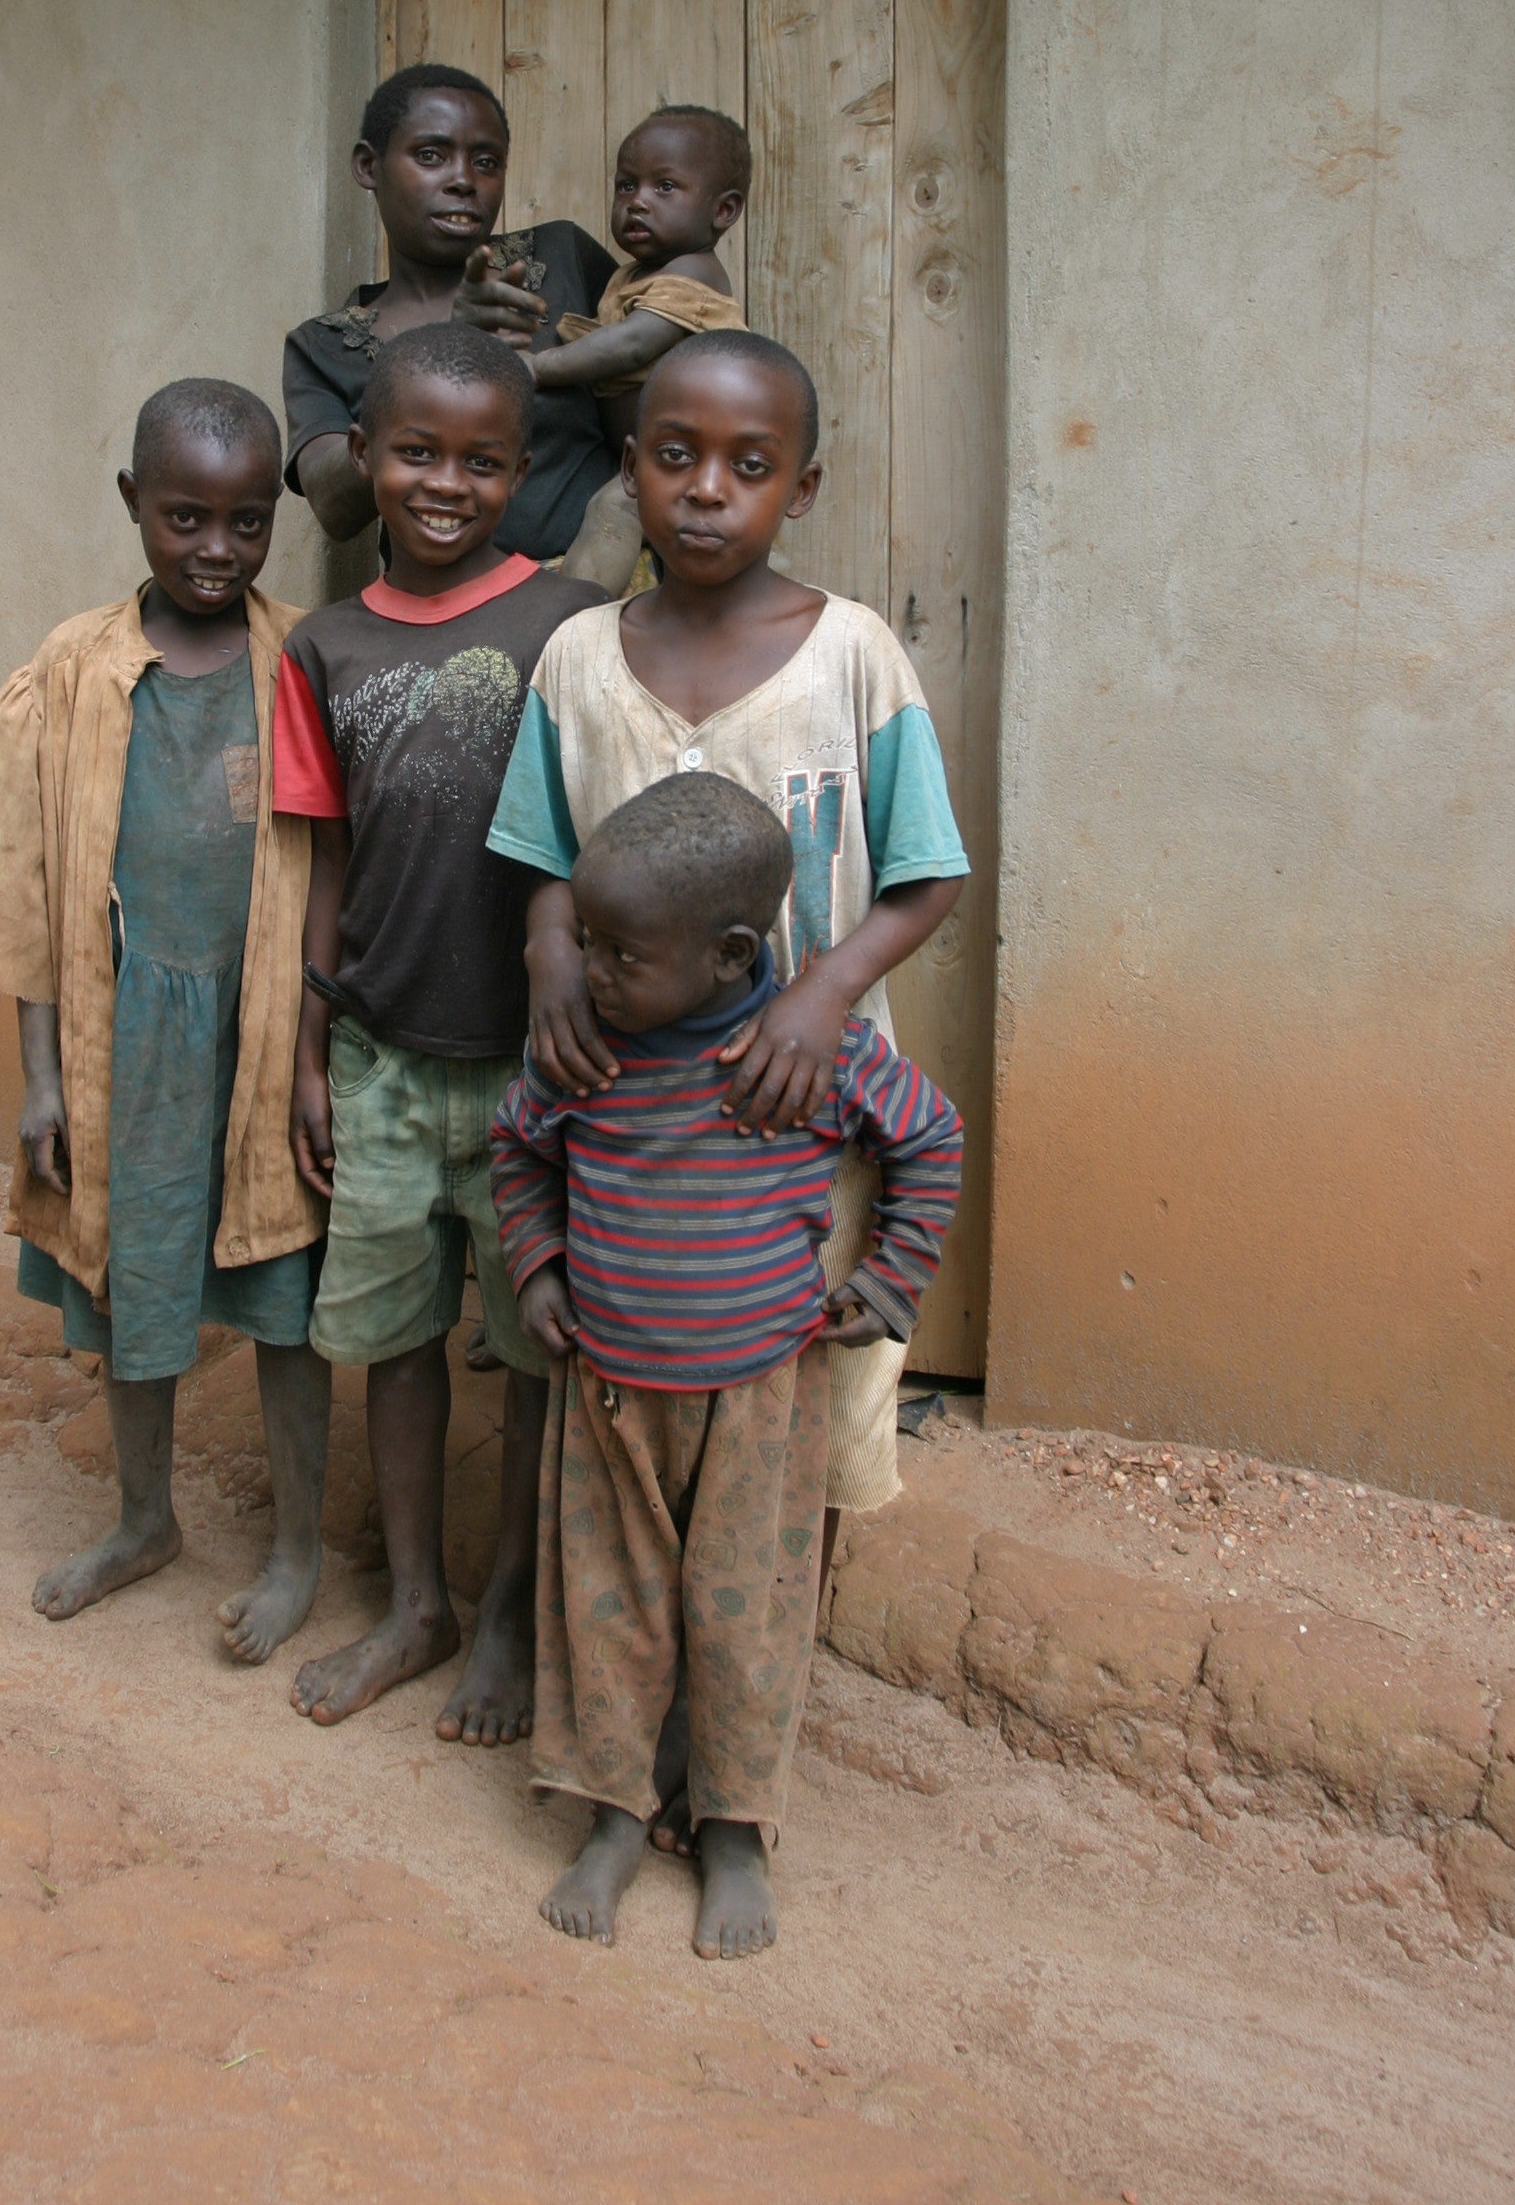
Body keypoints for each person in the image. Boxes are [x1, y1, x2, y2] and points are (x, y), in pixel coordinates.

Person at [486, 329, 969, 1667]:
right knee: (629, 1403)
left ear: (799, 489)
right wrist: (549, 962)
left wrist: (824, 996)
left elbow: (929, 877)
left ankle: (753, 1702)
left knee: (802, 1428)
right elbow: (533, 853)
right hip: (632, 1136)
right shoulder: (580, 659)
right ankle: (633, 1687)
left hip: (806, 1122)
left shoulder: (855, 658)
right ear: (629, 469)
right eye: (677, 456)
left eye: (747, 467)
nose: (706, 489)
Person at [493, 772, 962, 1959]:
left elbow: (931, 1142)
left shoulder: (803, 1056)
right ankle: (608, 1815)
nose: (585, 971)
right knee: (609, 1609)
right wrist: (539, 1266)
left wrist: (890, 1282)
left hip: (761, 1394)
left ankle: (734, 1830)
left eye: (616, 953)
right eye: (584, 942)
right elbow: (516, 1150)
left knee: (743, 1615)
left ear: (728, 955)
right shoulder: (588, 1053)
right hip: (607, 1395)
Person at [0, 379, 332, 1664]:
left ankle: (296, 1553)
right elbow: (20, 892)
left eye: (244, 523)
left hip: (269, 1030)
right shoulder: (68, 674)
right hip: (127, 1039)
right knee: (131, 1277)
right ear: (133, 504)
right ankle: (141, 1520)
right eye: (184, 519)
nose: (215, 552)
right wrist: (41, 1076)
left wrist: (315, 1053)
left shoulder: (303, 663)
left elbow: (334, 870)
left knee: (283, 1292)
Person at [271, 321, 605, 1740]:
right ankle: (417, 1601)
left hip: (535, 1075)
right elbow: (324, 860)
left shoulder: (572, 628)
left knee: (534, 1359)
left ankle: (512, 1619)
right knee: (396, 1343)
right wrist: (307, 1048)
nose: (445, 484)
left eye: (481, 462)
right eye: (415, 453)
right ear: (363, 458)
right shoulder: (323, 643)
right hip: (385, 1057)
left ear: (520, 473)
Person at [281, 61, 629, 581]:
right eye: (430, 155)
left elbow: (648, 415)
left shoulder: (563, 261)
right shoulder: (327, 345)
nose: (463, 180)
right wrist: (452, 343)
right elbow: (335, 508)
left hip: (599, 599)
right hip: (440, 621)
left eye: (486, 163)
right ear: (368, 167)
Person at [536, 104, 748, 587]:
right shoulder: (631, 277)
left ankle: (577, 620)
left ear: (723, 211)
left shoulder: (696, 272)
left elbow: (631, 345)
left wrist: (539, 367)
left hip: (690, 458)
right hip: (653, 455)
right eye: (626, 185)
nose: (638, 201)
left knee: (613, 511)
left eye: (665, 187)